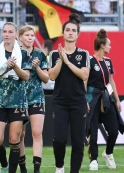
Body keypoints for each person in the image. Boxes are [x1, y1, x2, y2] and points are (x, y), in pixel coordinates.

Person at [0, 22, 31, 173]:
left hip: (17, 100)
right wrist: (5, 67)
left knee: (14, 139)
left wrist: (15, 67)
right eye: (4, 31)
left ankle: (11, 170)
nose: (7, 34)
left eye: (10, 32)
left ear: (16, 35)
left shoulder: (23, 53)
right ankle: (4, 165)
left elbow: (26, 76)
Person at [48, 14, 90, 173]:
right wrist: (60, 59)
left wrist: (67, 61)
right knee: (59, 139)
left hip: (78, 102)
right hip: (60, 103)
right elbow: (51, 76)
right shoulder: (54, 54)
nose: (70, 33)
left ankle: (74, 171)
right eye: (67, 30)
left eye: (73, 30)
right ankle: (60, 167)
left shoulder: (84, 54)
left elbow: (84, 75)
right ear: (63, 33)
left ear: (77, 34)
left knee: (79, 142)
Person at [86, 29, 123, 171]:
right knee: (93, 131)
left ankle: (108, 153)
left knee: (114, 130)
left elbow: (111, 81)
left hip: (106, 98)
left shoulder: (108, 61)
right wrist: (85, 100)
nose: (110, 47)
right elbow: (84, 81)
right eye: (109, 44)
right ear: (102, 46)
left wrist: (117, 99)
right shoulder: (89, 61)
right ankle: (93, 159)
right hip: (92, 98)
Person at [18, 25, 49, 173]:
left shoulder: (40, 54)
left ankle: (37, 169)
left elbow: (46, 79)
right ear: (20, 37)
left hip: (37, 97)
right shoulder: (15, 53)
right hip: (19, 98)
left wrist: (37, 68)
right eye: (27, 35)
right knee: (20, 134)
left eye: (32, 35)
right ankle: (23, 167)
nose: (30, 38)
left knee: (37, 133)